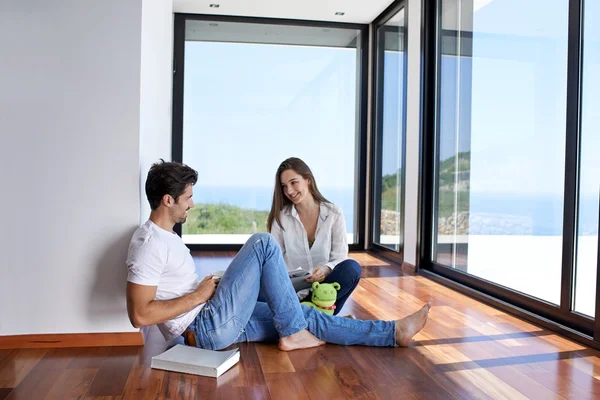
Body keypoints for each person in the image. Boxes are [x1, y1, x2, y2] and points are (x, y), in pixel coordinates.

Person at [126, 160, 430, 352]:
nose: (192, 204)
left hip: (212, 317)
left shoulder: (166, 238)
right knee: (263, 243)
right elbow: (139, 315)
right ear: (168, 200)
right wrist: (198, 296)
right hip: (205, 326)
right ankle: (293, 333)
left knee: (307, 315)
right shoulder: (149, 243)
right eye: (188, 197)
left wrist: (209, 289)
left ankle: (393, 332)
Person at [267, 157, 360, 316]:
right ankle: (320, 320)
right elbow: (274, 261)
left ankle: (303, 317)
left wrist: (326, 269)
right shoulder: (280, 218)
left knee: (352, 268)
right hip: (292, 293)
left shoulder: (333, 213)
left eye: (294, 182)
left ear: (308, 180)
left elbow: (340, 257)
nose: (289, 190)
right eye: (284, 186)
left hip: (324, 292)